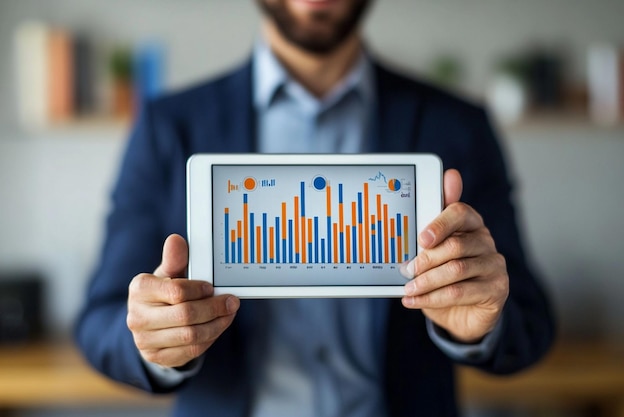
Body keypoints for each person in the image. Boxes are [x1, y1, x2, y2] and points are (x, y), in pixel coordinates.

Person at [75, 1, 554, 416]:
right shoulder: (168, 126)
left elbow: (530, 324)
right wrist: (155, 340)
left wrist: (479, 325)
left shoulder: (458, 126)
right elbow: (101, 322)